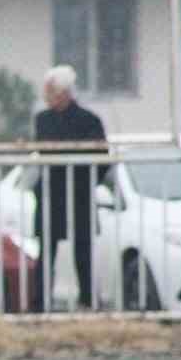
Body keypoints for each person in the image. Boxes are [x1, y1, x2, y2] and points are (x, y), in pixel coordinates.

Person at [33, 64, 108, 311]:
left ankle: (88, 301)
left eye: (50, 91)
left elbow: (101, 160)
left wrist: (84, 183)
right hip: (51, 196)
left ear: (63, 92)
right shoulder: (42, 120)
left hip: (79, 196)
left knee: (83, 252)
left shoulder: (89, 121)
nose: (47, 96)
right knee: (46, 255)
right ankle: (40, 304)